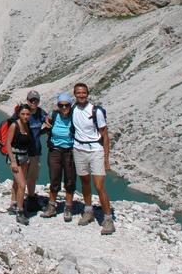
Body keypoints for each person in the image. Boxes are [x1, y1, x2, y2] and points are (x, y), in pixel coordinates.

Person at [72, 82, 114, 235]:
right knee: (84, 182)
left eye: (84, 93)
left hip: (95, 150)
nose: (81, 95)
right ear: (75, 94)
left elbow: (105, 135)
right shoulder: (72, 109)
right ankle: (88, 210)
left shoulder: (95, 111)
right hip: (79, 149)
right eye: (78, 93)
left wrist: (106, 160)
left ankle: (108, 218)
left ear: (87, 94)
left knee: (99, 185)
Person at [7, 89, 48, 212]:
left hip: (34, 152)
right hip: (20, 152)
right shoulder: (22, 112)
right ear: (27, 100)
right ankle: (14, 204)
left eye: (36, 100)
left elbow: (48, 122)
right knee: (18, 180)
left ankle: (30, 199)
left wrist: (42, 131)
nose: (34, 102)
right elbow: (9, 125)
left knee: (32, 177)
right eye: (31, 100)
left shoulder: (41, 113)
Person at [40, 93, 76, 221]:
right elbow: (43, 120)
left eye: (67, 105)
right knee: (54, 179)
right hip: (54, 150)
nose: (64, 107)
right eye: (61, 105)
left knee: (70, 180)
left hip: (70, 151)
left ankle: (68, 207)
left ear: (71, 105)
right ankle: (51, 206)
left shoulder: (74, 116)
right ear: (58, 105)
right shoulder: (53, 115)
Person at [5, 104, 35, 225]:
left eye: (28, 114)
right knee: (22, 184)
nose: (25, 116)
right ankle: (20, 211)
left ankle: (13, 204)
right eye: (23, 114)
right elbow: (8, 144)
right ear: (19, 114)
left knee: (17, 182)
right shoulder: (14, 125)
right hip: (15, 158)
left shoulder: (27, 125)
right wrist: (12, 161)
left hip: (25, 158)